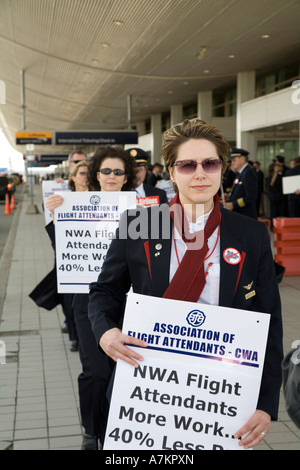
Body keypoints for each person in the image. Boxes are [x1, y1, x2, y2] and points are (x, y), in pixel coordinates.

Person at [88, 119, 283, 450]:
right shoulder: (141, 224)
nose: (200, 173)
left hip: (222, 394)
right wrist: (105, 331)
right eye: (187, 164)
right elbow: (103, 291)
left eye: (210, 163)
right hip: (149, 383)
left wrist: (265, 403)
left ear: (222, 168)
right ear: (170, 171)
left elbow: (269, 321)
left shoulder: (250, 234)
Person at [47, 146, 137, 450]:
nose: (111, 177)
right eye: (105, 171)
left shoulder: (144, 210)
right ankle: (91, 430)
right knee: (96, 371)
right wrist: (56, 217)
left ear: (127, 177)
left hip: (132, 304)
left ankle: (118, 431)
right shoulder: (73, 205)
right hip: (89, 304)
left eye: (118, 172)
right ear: (96, 175)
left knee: (124, 372)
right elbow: (65, 253)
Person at [223, 148, 258, 219]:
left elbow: (251, 196)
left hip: (246, 215)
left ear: (242, 159)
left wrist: (233, 205)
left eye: (234, 160)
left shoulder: (248, 173)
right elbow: (240, 191)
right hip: (240, 214)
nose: (232, 162)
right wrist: (229, 196)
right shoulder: (241, 173)